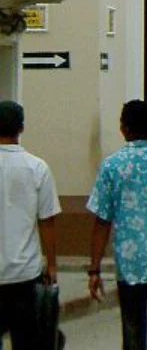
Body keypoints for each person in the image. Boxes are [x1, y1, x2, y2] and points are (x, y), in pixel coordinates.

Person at [87, 99, 147, 350]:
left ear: (124, 128)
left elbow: (101, 220)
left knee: (132, 328)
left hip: (129, 263)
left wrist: (95, 268)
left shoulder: (111, 166)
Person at [0, 100, 60, 350]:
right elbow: (47, 221)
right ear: (21, 128)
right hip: (25, 273)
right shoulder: (37, 167)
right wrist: (52, 263)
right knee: (27, 340)